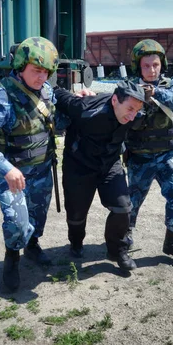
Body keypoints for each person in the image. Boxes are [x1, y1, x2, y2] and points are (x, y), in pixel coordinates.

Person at [0, 37, 59, 291]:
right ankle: (12, 257)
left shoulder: (46, 91)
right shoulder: (1, 96)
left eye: (46, 72)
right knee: (17, 221)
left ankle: (33, 245)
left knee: (38, 216)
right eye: (36, 71)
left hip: (41, 170)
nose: (42, 77)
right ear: (20, 67)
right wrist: (4, 168)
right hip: (11, 174)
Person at [55, 80, 145, 272]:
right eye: (129, 109)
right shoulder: (86, 108)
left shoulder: (135, 116)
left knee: (123, 207)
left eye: (136, 111)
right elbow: (58, 95)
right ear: (114, 100)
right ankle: (76, 243)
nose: (132, 115)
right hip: (78, 166)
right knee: (76, 215)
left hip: (109, 164)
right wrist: (73, 93)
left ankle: (116, 250)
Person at [124, 39, 173, 262]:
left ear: (162, 64)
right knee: (130, 204)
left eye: (155, 65)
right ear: (138, 67)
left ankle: (172, 242)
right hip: (139, 157)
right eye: (146, 66)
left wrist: (154, 93)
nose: (151, 70)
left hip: (166, 156)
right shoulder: (128, 86)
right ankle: (124, 240)